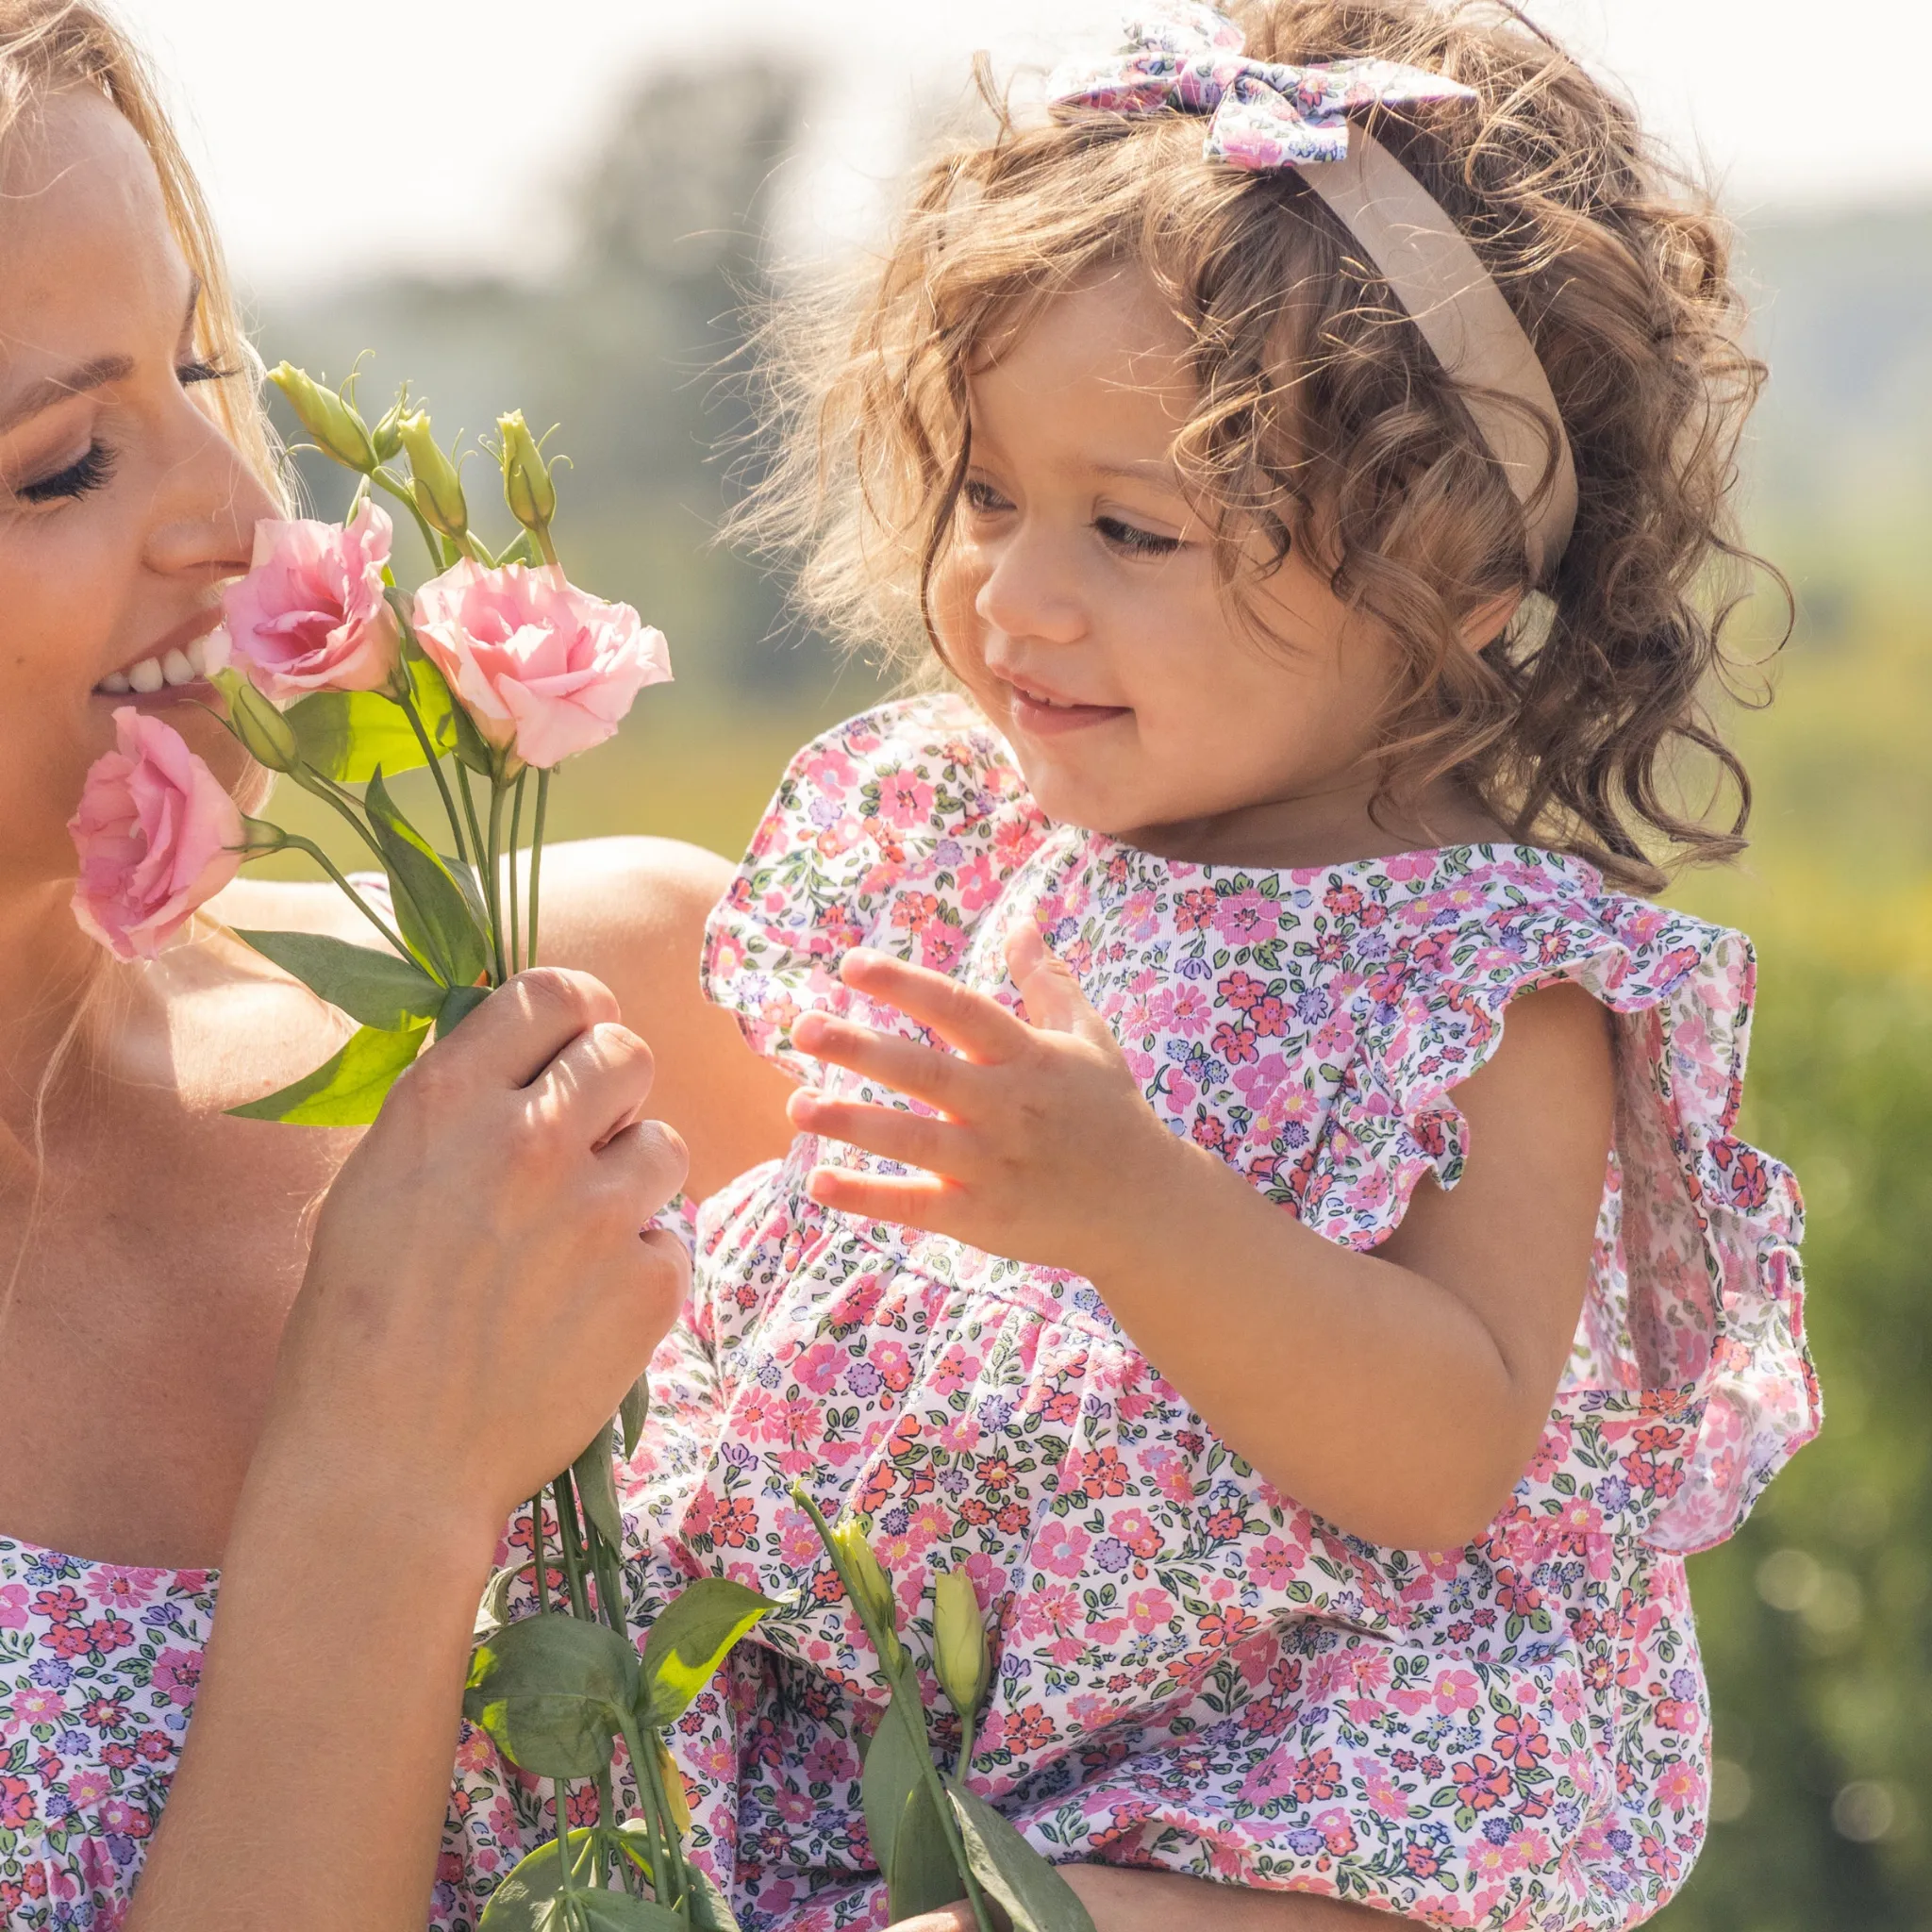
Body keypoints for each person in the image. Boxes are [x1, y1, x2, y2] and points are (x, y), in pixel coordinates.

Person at [610, 3, 1822, 1927]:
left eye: (1131, 529)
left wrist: (1135, 1207)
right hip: (913, 1754)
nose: (1014, 595)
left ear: (1452, 597)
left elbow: (1449, 1447)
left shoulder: (1486, 981)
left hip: (1294, 1817)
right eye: (988, 498)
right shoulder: (963, 841)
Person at [0, 5, 793, 1926]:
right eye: (60, 463)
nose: (242, 509)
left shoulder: (645, 1019)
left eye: (202, 367)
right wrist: (384, 1477)